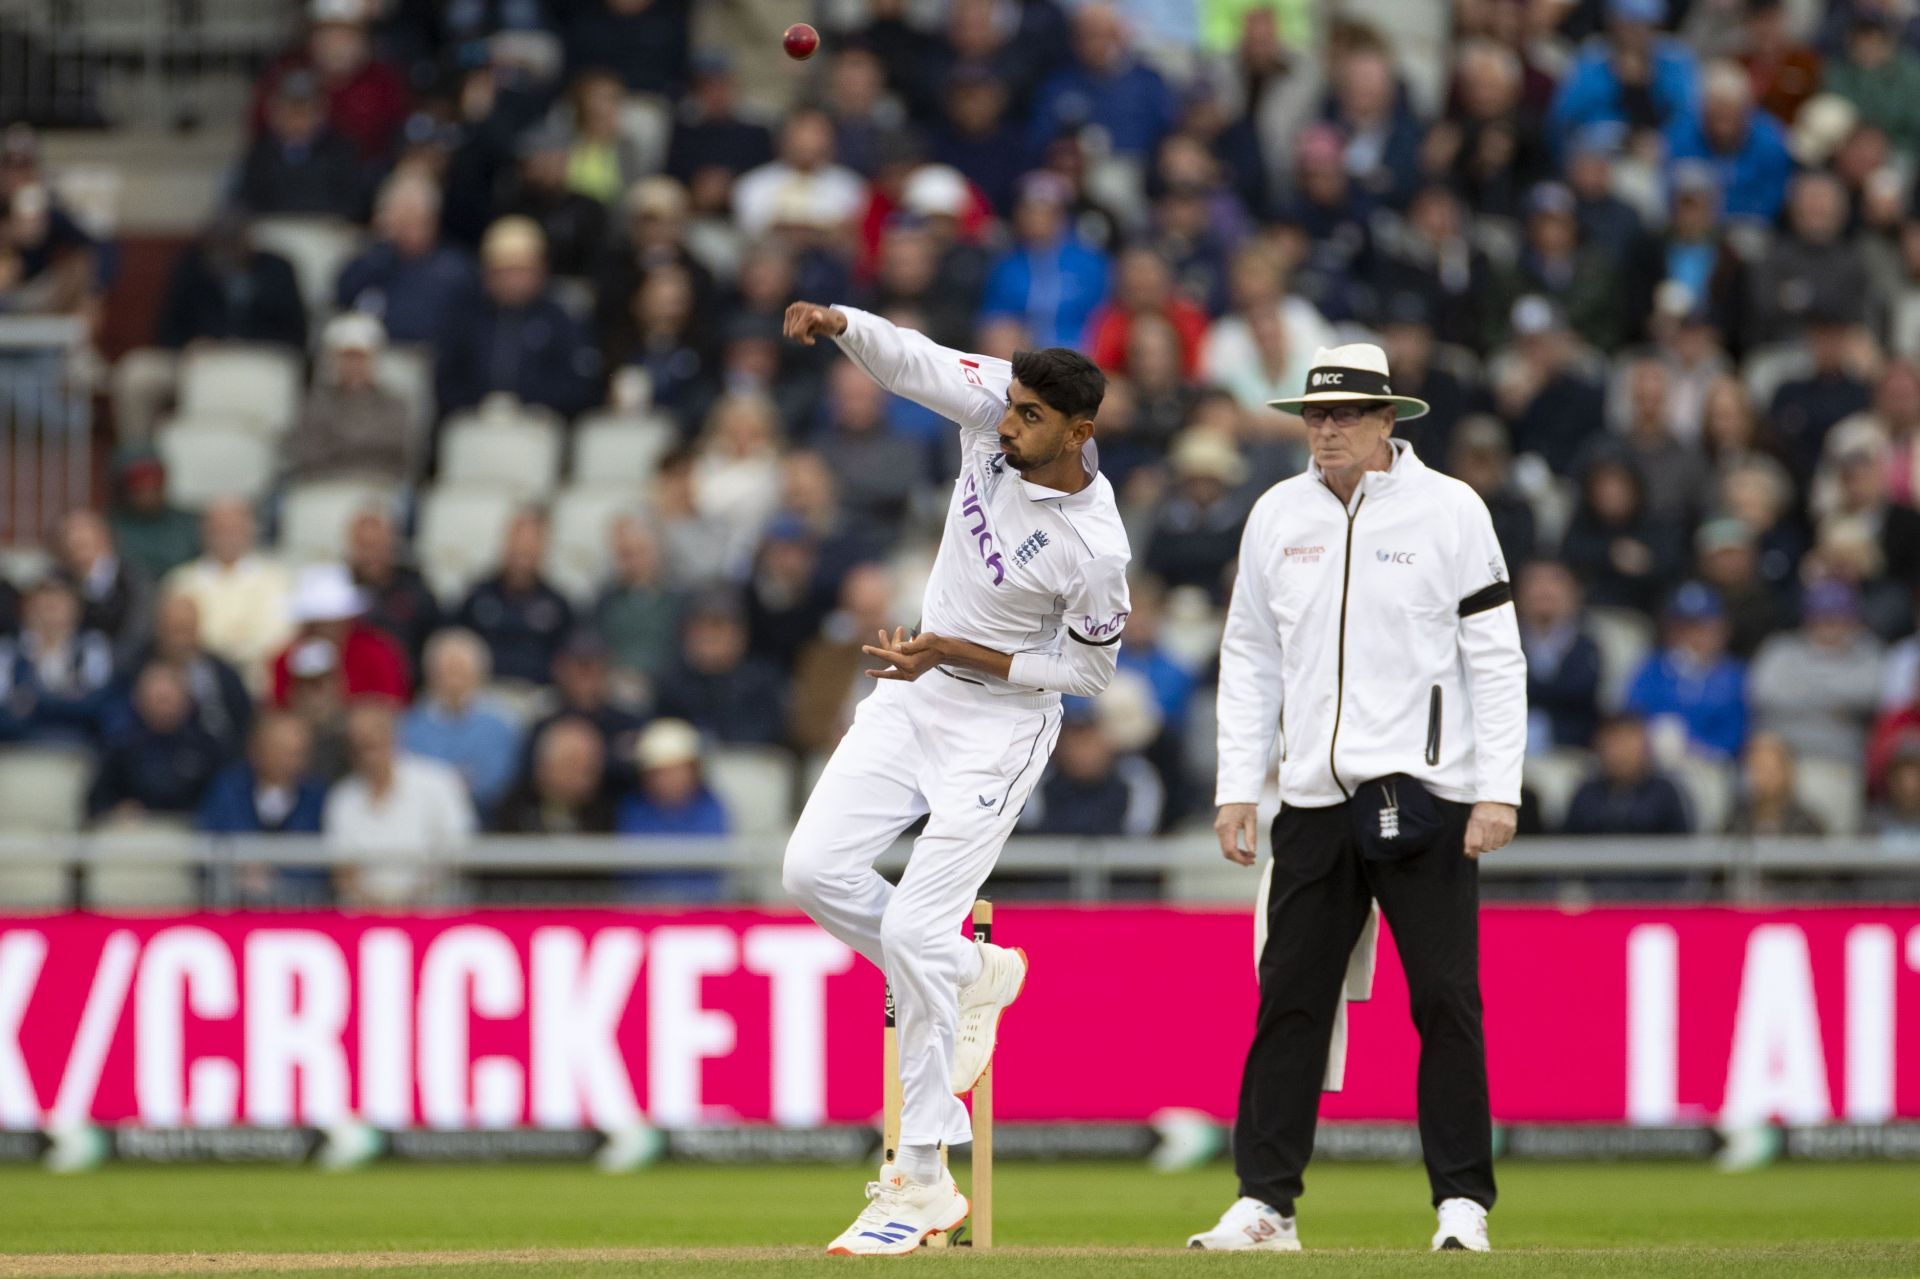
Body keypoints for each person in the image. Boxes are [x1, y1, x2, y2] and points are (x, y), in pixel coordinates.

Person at [778, 299, 1130, 1254]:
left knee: (910, 928)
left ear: (1078, 432)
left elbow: (1092, 675)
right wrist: (841, 321)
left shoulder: (1096, 549)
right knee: (811, 872)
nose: (1005, 424)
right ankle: (980, 971)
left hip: (1000, 728)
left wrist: (960, 653)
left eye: (1028, 418)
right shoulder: (990, 412)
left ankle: (923, 1177)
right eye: (1007, 407)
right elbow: (915, 362)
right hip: (913, 695)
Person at [1197, 342, 1524, 1254]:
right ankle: (1266, 1204)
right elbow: (1250, 657)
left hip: (1425, 796)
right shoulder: (1275, 514)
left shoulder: (1452, 510)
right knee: (1288, 1000)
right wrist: (1238, 785)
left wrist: (1498, 788)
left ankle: (1462, 1203)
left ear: (1389, 420)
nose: (1327, 428)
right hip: (1311, 801)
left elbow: (1496, 659)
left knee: (1445, 1003)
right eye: (1315, 413)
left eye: (1345, 414)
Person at [324, 700, 475, 905]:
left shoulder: (439, 782)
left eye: (372, 744)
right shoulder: (342, 798)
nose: (367, 756)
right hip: (363, 916)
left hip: (432, 912)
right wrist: (380, 906)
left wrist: (406, 902)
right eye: (358, 747)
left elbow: (456, 853)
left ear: (393, 737)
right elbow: (343, 871)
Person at [162, 499, 295, 690]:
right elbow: (180, 639)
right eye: (219, 530)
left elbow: (280, 635)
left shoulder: (278, 580)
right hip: (200, 688)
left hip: (263, 683)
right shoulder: (181, 582)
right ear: (204, 533)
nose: (227, 537)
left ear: (250, 530)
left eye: (235, 529)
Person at [1747, 580, 1884, 766]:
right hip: (1780, 757)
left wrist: (1801, 687)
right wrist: (1837, 706)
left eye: (1836, 617)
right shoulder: (1781, 648)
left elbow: (1870, 695)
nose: (1827, 625)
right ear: (1807, 618)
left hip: (1837, 760)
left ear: (1853, 619)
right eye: (1821, 617)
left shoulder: (1868, 651)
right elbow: (1763, 693)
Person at [400, 628, 523, 818]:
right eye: (446, 671)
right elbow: (408, 780)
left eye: (461, 671)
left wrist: (440, 782)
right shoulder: (409, 726)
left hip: (487, 820)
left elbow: (496, 783)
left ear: (480, 675)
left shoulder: (501, 726)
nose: (454, 681)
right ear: (431, 675)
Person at [282, 312, 413, 488]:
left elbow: (397, 452)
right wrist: (365, 446)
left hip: (381, 485)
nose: (354, 365)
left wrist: (340, 444)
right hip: (324, 485)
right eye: (347, 357)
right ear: (332, 359)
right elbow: (308, 454)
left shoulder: (394, 403)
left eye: (360, 357)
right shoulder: (315, 402)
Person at [1624, 582, 1749, 761]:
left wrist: (1695, 748)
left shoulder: (1734, 676)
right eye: (1683, 627)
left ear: (1721, 630)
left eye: (1701, 627)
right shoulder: (1652, 669)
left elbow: (1735, 736)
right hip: (1650, 763)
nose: (1691, 637)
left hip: (1709, 766)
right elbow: (1630, 717)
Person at [86, 663, 224, 824]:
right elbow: (96, 801)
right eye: (156, 700)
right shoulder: (121, 746)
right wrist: (117, 810)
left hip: (191, 835)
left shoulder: (207, 748)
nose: (162, 708)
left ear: (186, 701)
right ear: (139, 702)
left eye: (167, 700)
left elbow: (222, 800)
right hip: (136, 836)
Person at [455, 509, 575, 684]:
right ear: (505, 543)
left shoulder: (558, 604)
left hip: (538, 696)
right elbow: (455, 641)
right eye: (517, 544)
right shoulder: (476, 596)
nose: (522, 553)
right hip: (483, 694)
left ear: (543, 549)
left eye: (530, 548)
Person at [266, 563, 410, 708]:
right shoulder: (287, 659)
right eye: (320, 620)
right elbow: (279, 710)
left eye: (332, 620)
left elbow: (392, 705)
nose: (326, 628)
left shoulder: (375, 652)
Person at [0, 576, 116, 745]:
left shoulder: (91, 647)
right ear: (27, 608)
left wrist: (36, 701)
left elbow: (96, 706)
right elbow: (5, 713)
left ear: (76, 610)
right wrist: (67, 699)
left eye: (59, 605)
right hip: (19, 748)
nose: (51, 611)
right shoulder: (9, 650)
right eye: (44, 604)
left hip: (77, 748)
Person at [1517, 561, 1603, 753]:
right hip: (1506, 747)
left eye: (1555, 582)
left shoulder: (1588, 646)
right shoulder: (1503, 642)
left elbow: (1583, 695)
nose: (1544, 591)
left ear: (1574, 593)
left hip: (1572, 750)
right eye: (1534, 582)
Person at [1563, 714, 1692, 835]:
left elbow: (1681, 846)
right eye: (1613, 744)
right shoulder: (1586, 793)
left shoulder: (1665, 793)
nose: (1620, 753)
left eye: (1628, 744)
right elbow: (1565, 845)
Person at [496, 716, 617, 835]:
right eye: (572, 764)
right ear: (544, 765)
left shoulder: (607, 813)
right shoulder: (515, 810)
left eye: (591, 767)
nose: (584, 777)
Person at [1724, 732, 1826, 837]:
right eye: (1758, 769)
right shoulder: (1736, 820)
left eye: (1771, 770)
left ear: (1788, 772)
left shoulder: (1806, 824)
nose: (1764, 778)